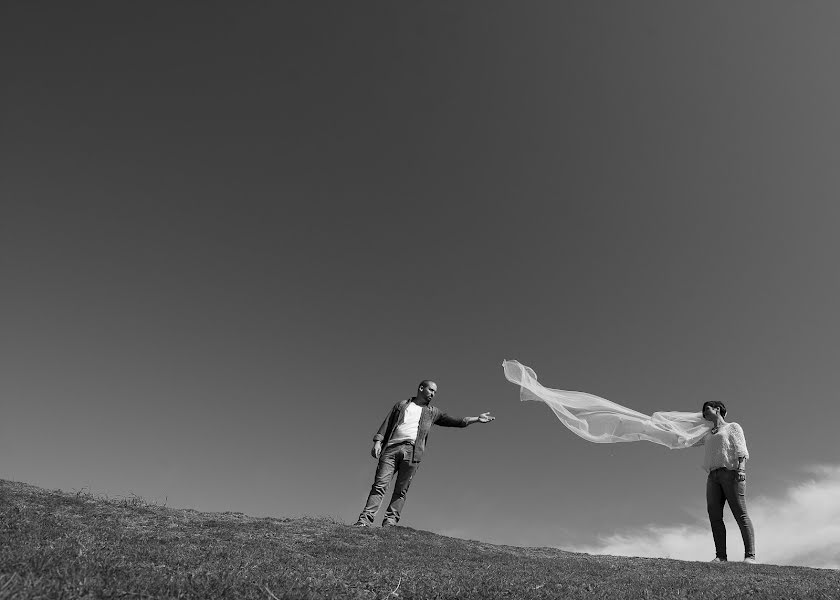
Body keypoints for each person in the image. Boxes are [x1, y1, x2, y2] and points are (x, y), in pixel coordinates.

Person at [353, 380, 495, 527]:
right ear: (421, 388)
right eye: (431, 390)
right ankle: (364, 521)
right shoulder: (401, 405)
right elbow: (387, 424)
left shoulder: (433, 412)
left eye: (435, 392)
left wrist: (477, 419)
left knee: (401, 490)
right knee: (379, 485)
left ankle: (390, 523)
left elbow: (457, 421)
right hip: (391, 449)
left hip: (413, 453)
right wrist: (378, 441)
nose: (433, 394)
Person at [696, 400, 756, 563]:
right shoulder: (708, 434)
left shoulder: (732, 427)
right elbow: (688, 441)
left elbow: (741, 449)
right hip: (713, 476)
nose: (704, 412)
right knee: (714, 516)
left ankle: (750, 556)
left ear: (717, 409)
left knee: (740, 514)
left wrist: (741, 469)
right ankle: (721, 556)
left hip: (731, 473)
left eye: (707, 408)